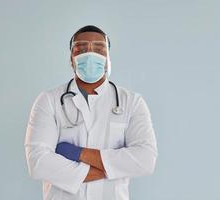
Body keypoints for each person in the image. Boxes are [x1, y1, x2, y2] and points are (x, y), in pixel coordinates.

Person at [24, 25, 158, 200]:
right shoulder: (48, 100)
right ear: (71, 58)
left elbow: (146, 160)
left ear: (107, 58)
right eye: (81, 48)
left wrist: (78, 153)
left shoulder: (132, 102)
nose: (89, 54)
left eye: (99, 48)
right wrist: (114, 168)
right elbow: (38, 163)